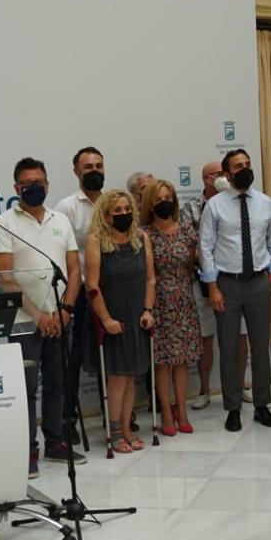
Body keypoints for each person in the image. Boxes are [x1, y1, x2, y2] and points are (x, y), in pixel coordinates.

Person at [0, 157, 81, 479]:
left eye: (40, 182)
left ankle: (55, 441)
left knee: (57, 385)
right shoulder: (4, 222)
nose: (35, 188)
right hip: (22, 321)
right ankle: (27, 449)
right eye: (28, 184)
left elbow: (74, 270)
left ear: (48, 184)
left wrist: (66, 310)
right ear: (16, 188)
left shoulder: (60, 219)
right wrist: (38, 315)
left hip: (60, 317)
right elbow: (5, 277)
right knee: (25, 388)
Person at [199, 148, 271, 432]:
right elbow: (206, 248)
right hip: (226, 283)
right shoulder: (215, 206)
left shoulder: (266, 203)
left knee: (261, 347)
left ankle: (262, 405)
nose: (244, 169)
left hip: (259, 281)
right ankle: (232, 408)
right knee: (230, 348)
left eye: (247, 164)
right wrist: (212, 286)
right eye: (238, 165)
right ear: (227, 173)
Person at [85, 189, 156, 454]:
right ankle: (114, 432)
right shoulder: (96, 240)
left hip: (137, 315)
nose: (124, 214)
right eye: (117, 211)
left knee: (131, 377)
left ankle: (127, 429)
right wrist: (106, 319)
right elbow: (92, 285)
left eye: (128, 209)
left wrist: (148, 310)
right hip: (112, 318)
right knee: (117, 378)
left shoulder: (142, 239)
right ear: (106, 215)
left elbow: (150, 278)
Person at [182, 161, 251, 410]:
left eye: (224, 173)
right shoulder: (190, 208)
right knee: (206, 337)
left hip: (236, 279)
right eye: (217, 175)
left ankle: (241, 384)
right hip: (203, 281)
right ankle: (203, 390)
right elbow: (194, 246)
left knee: (241, 335)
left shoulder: (239, 202)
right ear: (205, 179)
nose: (222, 178)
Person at [53, 146, 106, 457]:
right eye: (88, 166)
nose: (94, 170)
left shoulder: (114, 202)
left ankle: (113, 417)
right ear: (76, 171)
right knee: (71, 362)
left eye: (99, 164)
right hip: (82, 294)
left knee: (107, 359)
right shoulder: (67, 207)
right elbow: (63, 255)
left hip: (109, 294)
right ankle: (67, 420)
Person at [142, 179, 201, 436]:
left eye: (168, 197)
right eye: (158, 199)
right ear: (150, 204)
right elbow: (147, 273)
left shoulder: (187, 230)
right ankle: (166, 412)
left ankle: (182, 410)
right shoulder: (144, 233)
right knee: (163, 361)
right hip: (158, 303)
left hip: (184, 300)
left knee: (182, 360)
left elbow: (190, 266)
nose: (164, 202)